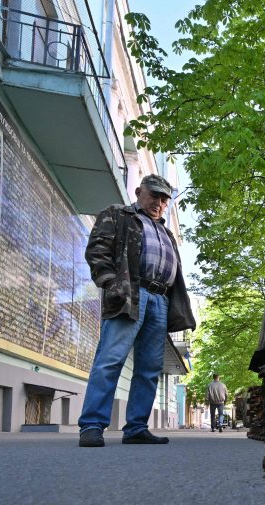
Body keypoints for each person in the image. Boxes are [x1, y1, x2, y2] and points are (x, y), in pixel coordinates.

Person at [78, 174, 196, 447]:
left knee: (150, 367)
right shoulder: (118, 215)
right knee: (111, 358)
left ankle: (136, 428)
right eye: (154, 195)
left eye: (165, 199)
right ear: (138, 191)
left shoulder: (166, 232)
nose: (159, 202)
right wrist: (111, 284)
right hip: (130, 293)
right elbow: (97, 251)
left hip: (160, 300)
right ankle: (92, 426)